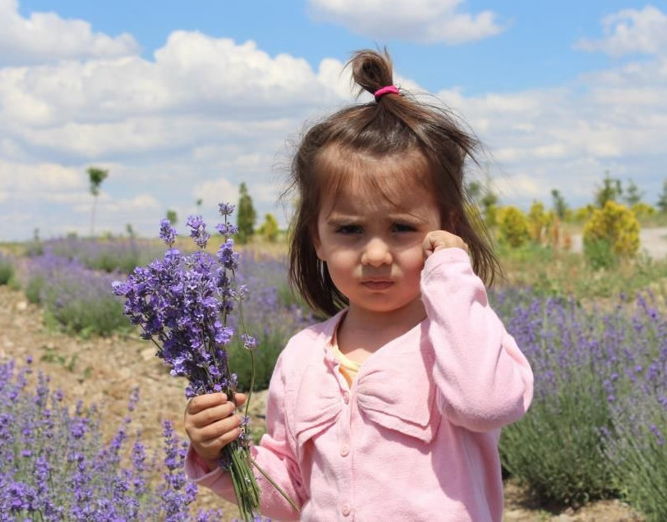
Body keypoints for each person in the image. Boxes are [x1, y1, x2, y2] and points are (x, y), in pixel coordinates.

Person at [184, 49, 534, 521]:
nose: (375, 254)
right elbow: (289, 491)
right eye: (349, 230)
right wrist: (219, 453)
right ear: (318, 240)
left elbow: (486, 404)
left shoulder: (460, 339)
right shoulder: (303, 356)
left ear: (443, 229)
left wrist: (451, 269)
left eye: (402, 229)